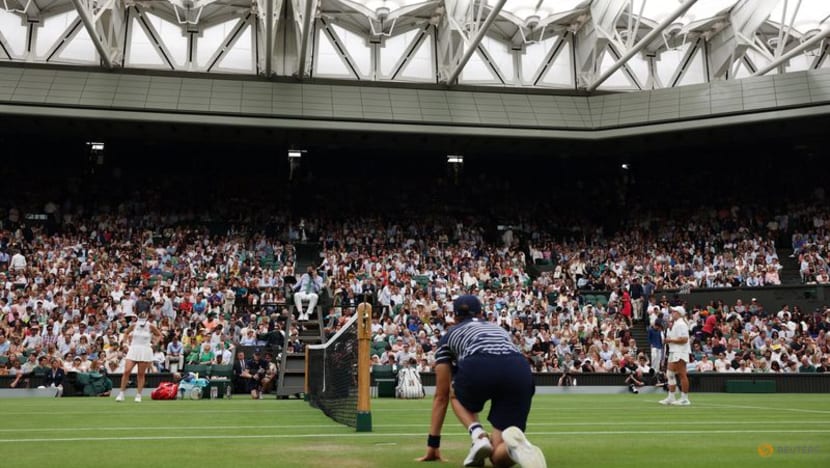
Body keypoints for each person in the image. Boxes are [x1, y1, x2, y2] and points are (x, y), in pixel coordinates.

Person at [417, 295, 545, 468]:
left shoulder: (448, 337)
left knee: (453, 393)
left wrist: (433, 445)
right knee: (497, 456)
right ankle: (514, 449)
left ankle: (478, 436)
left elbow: (441, 395)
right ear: (481, 313)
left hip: (479, 362)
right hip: (519, 368)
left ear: (454, 317)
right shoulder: (498, 329)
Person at [115, 312, 162, 402]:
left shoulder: (151, 326)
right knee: (126, 371)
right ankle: (121, 393)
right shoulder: (133, 325)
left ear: (147, 318)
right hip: (133, 349)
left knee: (140, 374)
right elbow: (126, 333)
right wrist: (125, 343)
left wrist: (155, 344)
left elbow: (159, 335)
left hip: (145, 350)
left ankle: (138, 395)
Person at [660, 306, 691, 406]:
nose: (672, 313)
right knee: (670, 374)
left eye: (674, 312)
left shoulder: (681, 324)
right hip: (674, 351)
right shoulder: (675, 324)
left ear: (679, 313)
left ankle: (685, 398)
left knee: (682, 375)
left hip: (681, 352)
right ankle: (671, 397)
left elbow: (684, 339)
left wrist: (670, 340)